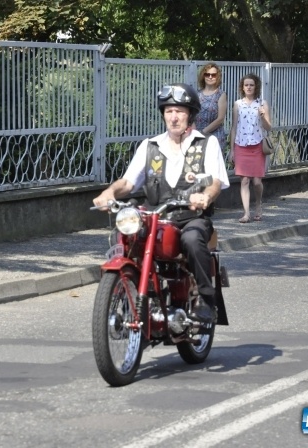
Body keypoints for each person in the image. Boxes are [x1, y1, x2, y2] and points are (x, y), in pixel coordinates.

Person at [93, 83, 230, 323]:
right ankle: (131, 290)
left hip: (191, 217)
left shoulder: (206, 144)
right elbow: (128, 182)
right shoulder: (151, 146)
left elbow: (215, 182)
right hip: (155, 216)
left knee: (192, 239)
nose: (173, 117)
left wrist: (205, 196)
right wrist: (109, 192)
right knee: (122, 235)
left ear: (190, 115)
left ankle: (205, 299)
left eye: (179, 111)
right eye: (169, 111)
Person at [229, 73, 272, 223]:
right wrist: (232, 150)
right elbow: (234, 127)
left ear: (256, 87)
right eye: (246, 85)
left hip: (257, 145)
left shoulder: (262, 103)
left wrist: (263, 116)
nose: (248, 87)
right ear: (242, 87)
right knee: (245, 181)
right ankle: (246, 213)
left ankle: (258, 204)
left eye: (251, 85)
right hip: (241, 145)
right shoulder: (237, 104)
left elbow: (268, 127)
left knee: (257, 182)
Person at [195, 63, 228, 148]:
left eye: (213, 75)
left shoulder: (221, 94)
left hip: (215, 137)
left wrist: (203, 132)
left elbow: (220, 119)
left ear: (217, 77)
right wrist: (195, 134)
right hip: (197, 136)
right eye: (207, 74)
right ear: (203, 76)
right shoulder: (197, 94)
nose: (210, 77)